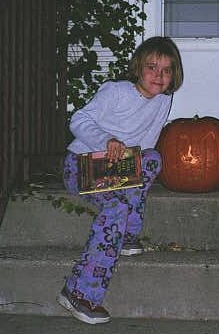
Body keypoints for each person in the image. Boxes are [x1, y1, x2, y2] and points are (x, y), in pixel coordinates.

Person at [57, 36, 184, 324]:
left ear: (173, 75)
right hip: (81, 164)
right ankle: (78, 292)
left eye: (166, 70)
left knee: (152, 158)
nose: (159, 76)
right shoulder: (115, 91)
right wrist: (107, 140)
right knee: (115, 208)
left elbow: (145, 147)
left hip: (118, 167)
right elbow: (77, 121)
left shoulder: (164, 99)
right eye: (152, 67)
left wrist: (127, 163)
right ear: (138, 68)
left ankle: (127, 233)